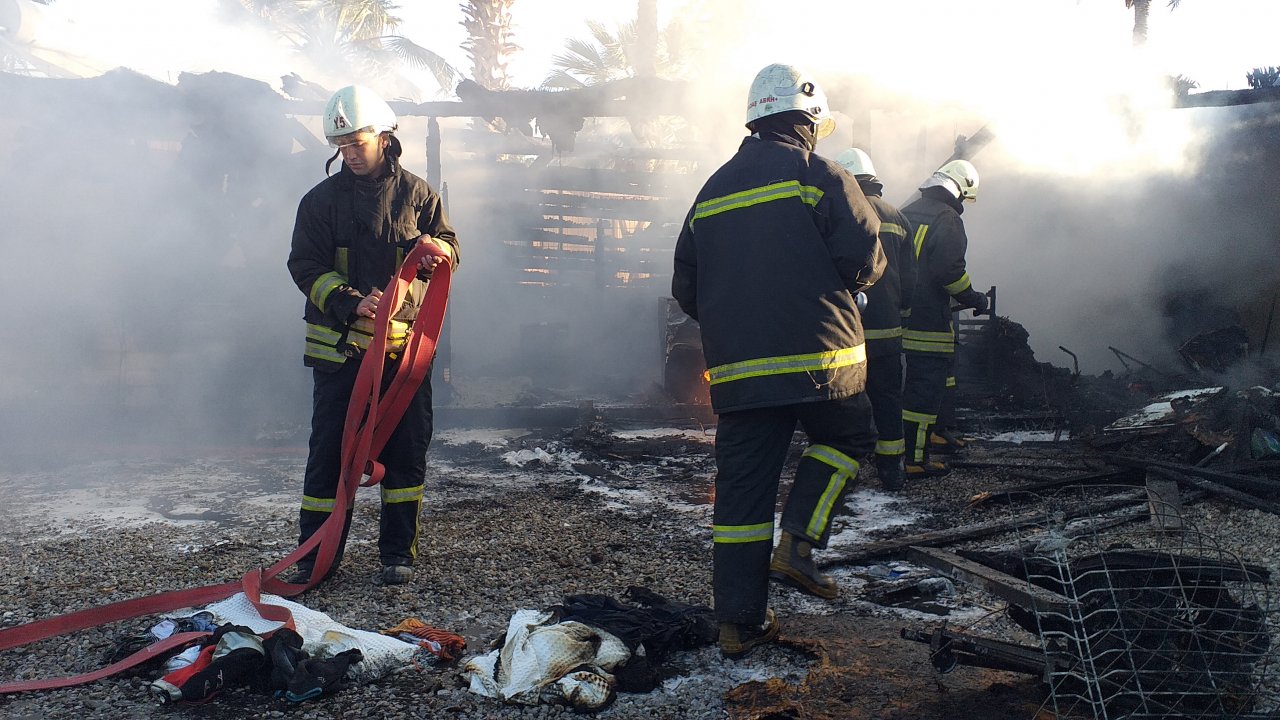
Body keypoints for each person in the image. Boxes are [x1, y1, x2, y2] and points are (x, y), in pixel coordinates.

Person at [671, 63, 886, 659]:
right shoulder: (819, 174)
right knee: (847, 438)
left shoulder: (710, 191)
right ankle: (798, 543)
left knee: (741, 496)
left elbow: (685, 290)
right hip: (825, 360)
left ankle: (737, 625)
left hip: (741, 376)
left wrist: (737, 322)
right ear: (807, 120)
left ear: (755, 119)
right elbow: (866, 261)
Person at [286, 85, 459, 586]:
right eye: (341, 147)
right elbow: (303, 264)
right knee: (328, 455)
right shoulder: (319, 203)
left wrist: (439, 251)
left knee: (407, 452)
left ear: (384, 137)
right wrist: (347, 299)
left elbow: (449, 245)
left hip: (402, 357)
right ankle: (317, 556)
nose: (349, 155)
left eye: (357, 144)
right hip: (339, 352)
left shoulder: (420, 196)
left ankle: (396, 555)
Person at [834, 148, 916, 491]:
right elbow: (910, 278)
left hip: (844, 334)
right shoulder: (897, 216)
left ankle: (844, 472)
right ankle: (892, 471)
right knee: (887, 398)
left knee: (844, 403)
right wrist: (903, 316)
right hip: (887, 331)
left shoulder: (835, 209)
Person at [899, 160, 986, 480]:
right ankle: (915, 458)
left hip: (904, 317)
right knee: (924, 389)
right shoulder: (946, 218)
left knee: (942, 376)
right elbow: (949, 274)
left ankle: (939, 430)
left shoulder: (907, 212)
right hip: (929, 322)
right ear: (958, 189)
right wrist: (975, 298)